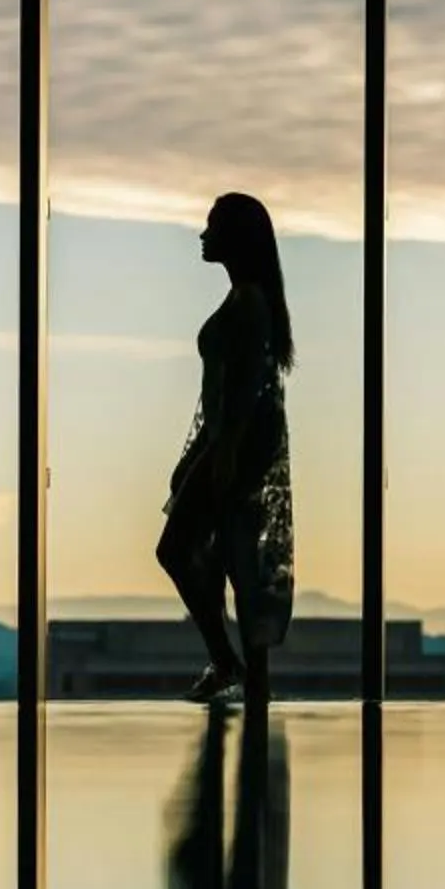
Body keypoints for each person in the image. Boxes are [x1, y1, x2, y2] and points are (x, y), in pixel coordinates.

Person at [157, 192, 296, 708]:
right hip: (224, 446)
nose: (202, 233)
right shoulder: (246, 300)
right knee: (226, 554)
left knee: (185, 550)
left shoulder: (250, 304)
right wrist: (196, 454)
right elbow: (221, 396)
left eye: (212, 225)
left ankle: (226, 662)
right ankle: (243, 674)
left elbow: (244, 391)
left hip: (232, 447)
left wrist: (223, 453)